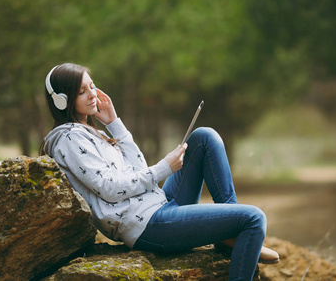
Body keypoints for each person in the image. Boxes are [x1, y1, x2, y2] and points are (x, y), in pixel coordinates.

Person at [41, 63, 279, 281]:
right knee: (253, 218)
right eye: (82, 91)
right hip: (147, 225)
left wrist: (114, 123)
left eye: (92, 86)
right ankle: (236, 235)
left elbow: (138, 169)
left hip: (158, 205)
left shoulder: (88, 131)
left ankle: (231, 240)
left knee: (204, 137)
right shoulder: (69, 139)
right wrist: (164, 167)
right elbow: (109, 188)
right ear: (62, 100)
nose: (93, 94)